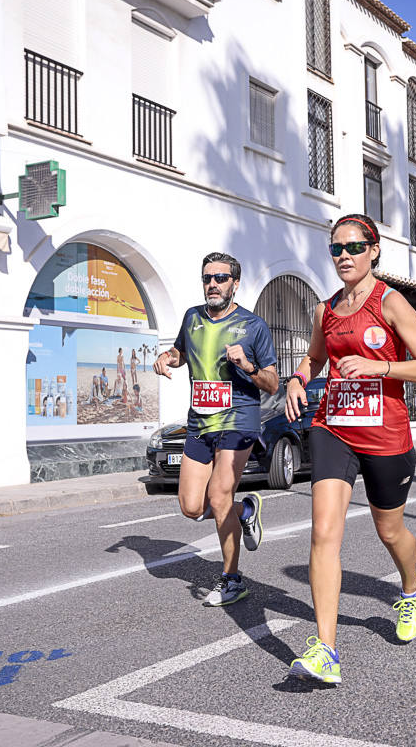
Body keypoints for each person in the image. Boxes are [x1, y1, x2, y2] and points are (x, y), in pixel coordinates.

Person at [283, 214, 416, 684]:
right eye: (336, 249)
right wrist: (297, 377)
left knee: (389, 532)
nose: (344, 256)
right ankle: (326, 650)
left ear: (373, 250)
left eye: (354, 247)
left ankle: (412, 588)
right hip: (333, 427)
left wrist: (380, 369)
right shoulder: (324, 310)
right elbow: (314, 358)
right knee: (323, 532)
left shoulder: (390, 303)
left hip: (386, 436)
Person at [153, 252, 279, 607]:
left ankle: (231, 579)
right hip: (200, 422)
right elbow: (181, 353)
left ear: (235, 283)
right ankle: (245, 512)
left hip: (238, 421)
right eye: (208, 277)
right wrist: (166, 358)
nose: (213, 284)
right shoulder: (192, 317)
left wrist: (247, 365)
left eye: (221, 278)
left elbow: (272, 384)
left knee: (220, 496)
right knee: (192, 507)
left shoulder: (253, 326)